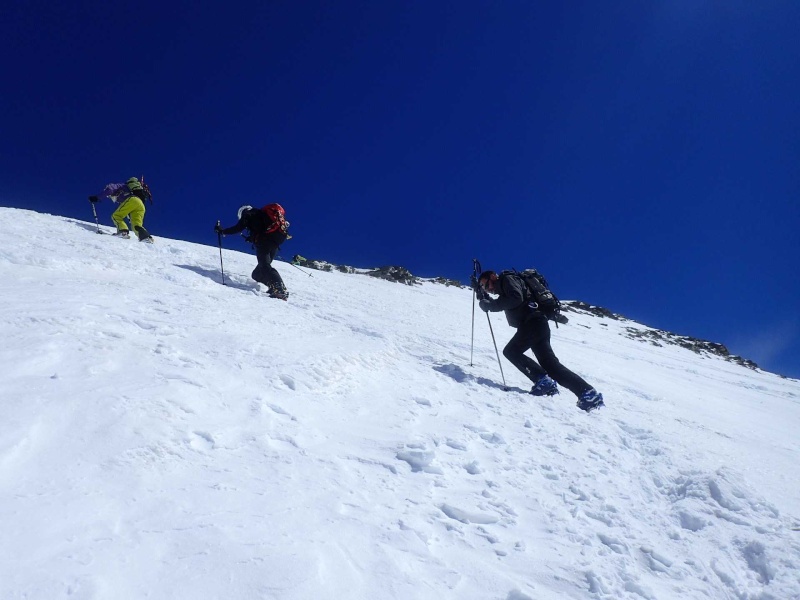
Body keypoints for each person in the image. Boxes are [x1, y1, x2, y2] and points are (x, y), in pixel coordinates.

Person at [475, 270, 604, 412]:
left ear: (493, 276)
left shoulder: (507, 279)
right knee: (552, 366)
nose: (488, 288)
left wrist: (489, 305)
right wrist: (485, 299)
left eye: (485, 285)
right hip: (537, 324)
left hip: (532, 324)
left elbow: (515, 299)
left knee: (511, 351)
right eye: (484, 288)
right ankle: (587, 393)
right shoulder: (506, 286)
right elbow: (506, 301)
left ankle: (543, 381)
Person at [216, 205, 290, 300]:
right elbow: (260, 229)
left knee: (264, 266)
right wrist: (252, 238)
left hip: (265, 241)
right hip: (276, 241)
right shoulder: (260, 216)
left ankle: (279, 289)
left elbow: (238, 228)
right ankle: (273, 286)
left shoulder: (248, 214)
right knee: (256, 274)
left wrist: (222, 231)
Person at [88, 177, 154, 242]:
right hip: (141, 205)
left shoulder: (117, 186)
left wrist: (97, 198)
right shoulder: (128, 190)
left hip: (133, 200)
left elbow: (109, 190)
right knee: (136, 224)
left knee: (116, 216)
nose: (110, 196)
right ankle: (146, 237)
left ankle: (123, 232)